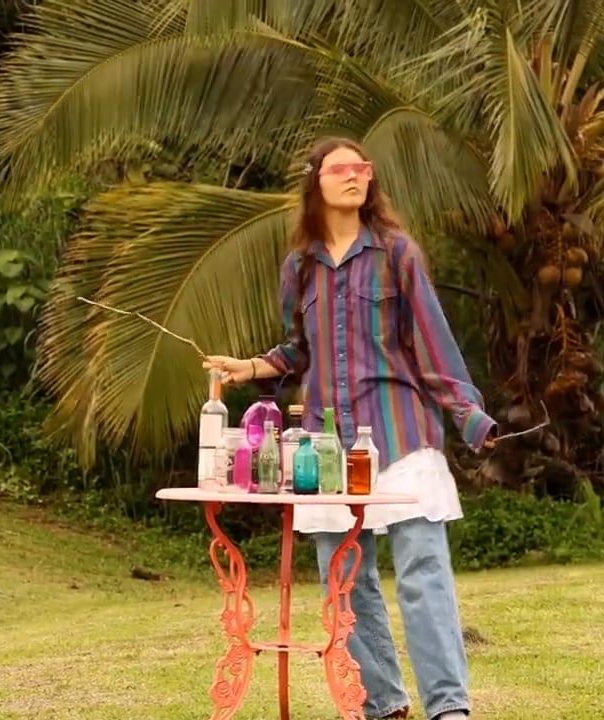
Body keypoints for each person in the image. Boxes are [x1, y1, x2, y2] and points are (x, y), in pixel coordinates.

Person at [203, 136, 497, 720]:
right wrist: (252, 367)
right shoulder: (299, 268)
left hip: (402, 434)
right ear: (315, 181)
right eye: (340, 169)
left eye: (362, 167)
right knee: (343, 583)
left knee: (422, 573)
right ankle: (383, 705)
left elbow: (432, 341)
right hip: (326, 449)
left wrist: (468, 414)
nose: (355, 175)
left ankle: (449, 708)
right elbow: (298, 349)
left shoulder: (397, 253)